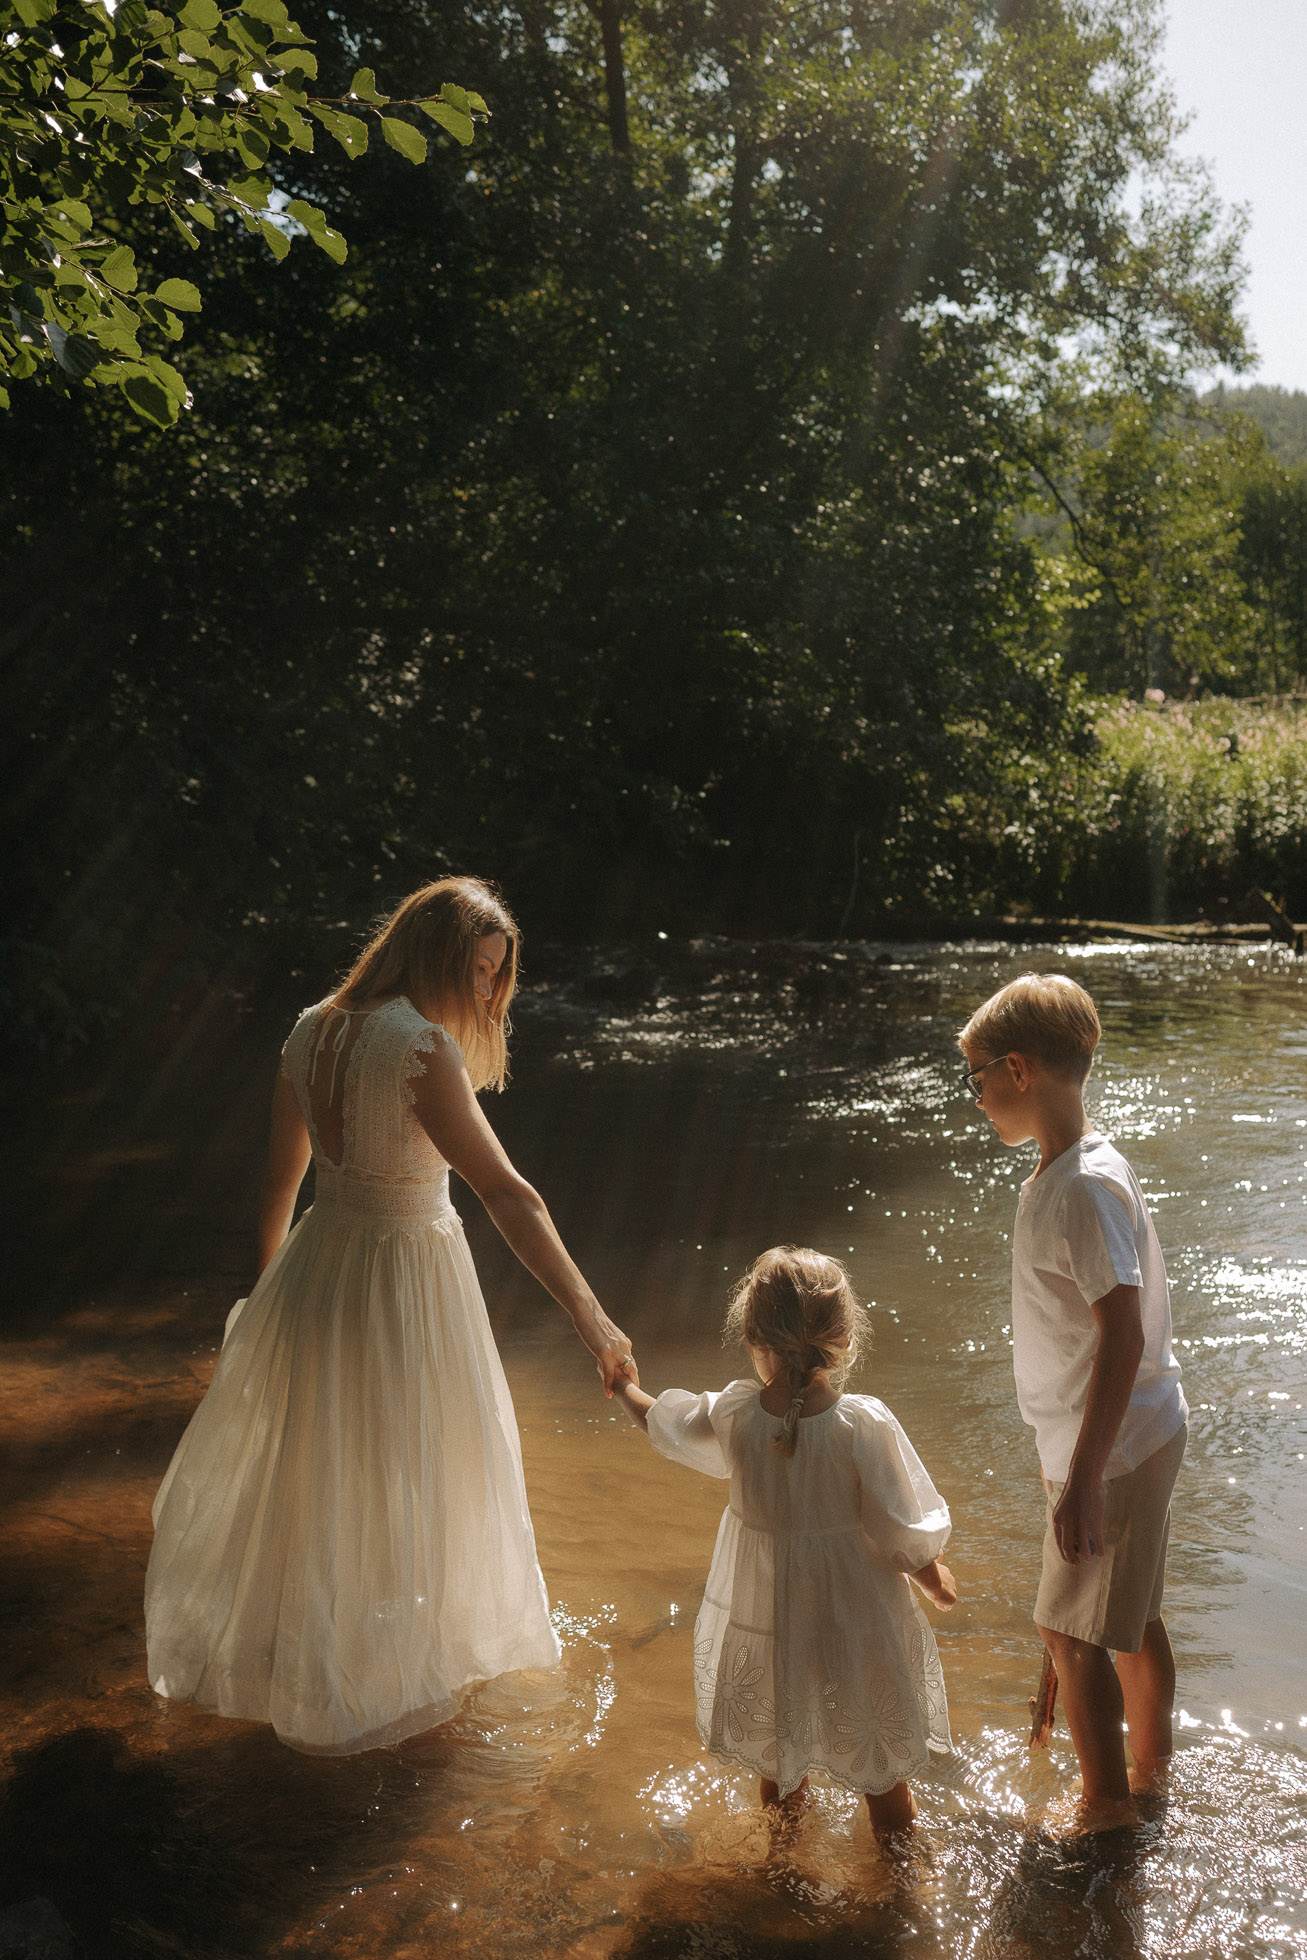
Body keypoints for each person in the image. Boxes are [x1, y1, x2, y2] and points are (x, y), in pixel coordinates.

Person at [145, 876, 636, 1755]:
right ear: (435, 956)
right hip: (406, 1280)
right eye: (478, 968)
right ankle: (393, 1678)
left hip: (318, 1268)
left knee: (330, 1472)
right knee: (425, 1468)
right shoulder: (419, 1047)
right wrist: (591, 1319)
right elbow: (506, 1194)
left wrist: (266, 1303)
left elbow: (279, 1186)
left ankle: (314, 1658)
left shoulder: (309, 1028)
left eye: (496, 973)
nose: (487, 990)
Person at [611, 1246, 956, 1837]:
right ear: (843, 1340)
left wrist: (622, 1386)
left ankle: (782, 1865)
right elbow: (898, 1526)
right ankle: (902, 1876)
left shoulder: (737, 1414)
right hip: (853, 1619)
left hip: (770, 1618)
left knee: (778, 1759)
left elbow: (664, 1422)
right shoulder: (861, 1423)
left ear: (753, 1337)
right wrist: (933, 1577)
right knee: (881, 1767)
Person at [958, 973, 1188, 1829]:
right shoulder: (1073, 1169)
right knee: (1130, 1616)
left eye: (976, 1076)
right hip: (1119, 1436)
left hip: (1113, 1448)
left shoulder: (1081, 1188)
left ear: (1017, 1069)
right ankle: (1149, 1774)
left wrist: (1085, 1476)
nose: (974, 1095)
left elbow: (1121, 1335)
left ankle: (1105, 1807)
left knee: (1068, 1631)